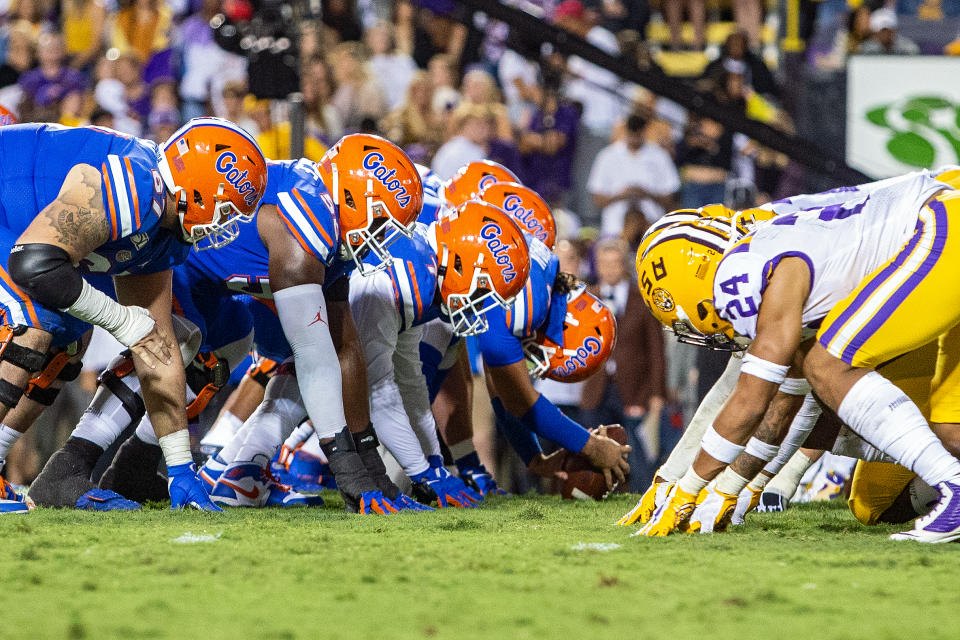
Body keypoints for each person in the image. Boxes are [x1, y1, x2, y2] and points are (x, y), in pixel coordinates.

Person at [632, 170, 960, 542]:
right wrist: (733, 487)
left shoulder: (740, 272)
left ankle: (953, 485)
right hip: (937, 224)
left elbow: (751, 400)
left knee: (830, 364)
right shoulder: (763, 245)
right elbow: (786, 402)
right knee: (951, 435)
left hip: (941, 226)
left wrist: (688, 488)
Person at [0, 117, 267, 513]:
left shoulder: (163, 233)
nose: (224, 227)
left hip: (21, 227)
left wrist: (179, 466)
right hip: (13, 213)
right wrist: (121, 320)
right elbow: (34, 265)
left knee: (68, 341)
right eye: (225, 210)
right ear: (195, 187)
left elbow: (158, 351)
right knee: (37, 324)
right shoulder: (137, 182)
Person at [580, 238, 665, 491]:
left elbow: (656, 352)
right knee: (595, 445)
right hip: (596, 388)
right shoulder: (586, 299)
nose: (609, 270)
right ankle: (594, 493)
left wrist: (657, 394)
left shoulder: (643, 299)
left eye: (614, 263)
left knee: (637, 451)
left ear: (624, 265)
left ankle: (643, 495)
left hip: (634, 388)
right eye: (603, 264)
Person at [588, 113, 680, 237]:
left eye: (639, 132)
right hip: (615, 228)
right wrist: (623, 195)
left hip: (651, 227)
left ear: (645, 131)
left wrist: (646, 193)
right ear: (626, 130)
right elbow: (598, 199)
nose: (635, 137)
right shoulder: (608, 155)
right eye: (632, 132)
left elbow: (670, 198)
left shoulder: (659, 155)